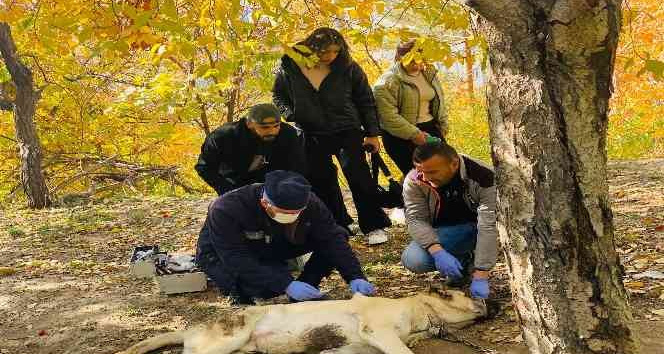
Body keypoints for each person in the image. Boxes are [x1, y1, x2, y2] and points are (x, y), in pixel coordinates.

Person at [272, 27, 391, 245]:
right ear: (310, 48)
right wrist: (291, 114)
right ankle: (338, 225)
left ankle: (373, 226)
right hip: (309, 133)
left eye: (335, 51)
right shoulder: (290, 66)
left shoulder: (349, 67)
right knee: (321, 181)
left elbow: (366, 100)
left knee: (359, 178)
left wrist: (373, 134)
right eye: (325, 52)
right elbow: (278, 95)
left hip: (347, 130)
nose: (330, 56)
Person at [195, 170, 376, 304]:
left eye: (297, 212)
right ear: (265, 203)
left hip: (273, 243)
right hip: (226, 254)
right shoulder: (226, 208)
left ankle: (308, 284)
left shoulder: (310, 202)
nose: (292, 216)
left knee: (339, 235)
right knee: (262, 289)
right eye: (284, 213)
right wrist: (284, 283)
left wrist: (354, 275)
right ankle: (277, 286)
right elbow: (234, 256)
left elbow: (332, 238)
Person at [400, 141, 497, 299]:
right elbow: (416, 219)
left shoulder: (483, 177)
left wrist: (482, 273)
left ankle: (473, 264)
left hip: (476, 228)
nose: (425, 177)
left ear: (453, 164)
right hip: (444, 232)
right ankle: (463, 265)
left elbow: (488, 226)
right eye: (421, 171)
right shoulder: (415, 180)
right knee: (414, 259)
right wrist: (437, 251)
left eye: (432, 172)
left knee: (478, 231)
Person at [373, 39, 449, 175]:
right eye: (412, 61)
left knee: (445, 172)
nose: (418, 65)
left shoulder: (429, 73)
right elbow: (388, 117)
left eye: (420, 60)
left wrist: (443, 126)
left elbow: (439, 100)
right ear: (401, 57)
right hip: (400, 137)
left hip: (431, 129)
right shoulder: (388, 81)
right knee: (419, 177)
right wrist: (414, 134)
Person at [194, 103, 305, 196]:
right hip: (234, 187)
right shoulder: (223, 136)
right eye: (265, 127)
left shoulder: (288, 134)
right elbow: (204, 167)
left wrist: (288, 187)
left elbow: (297, 165)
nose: (272, 131)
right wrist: (227, 191)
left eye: (276, 126)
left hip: (276, 188)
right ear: (249, 123)